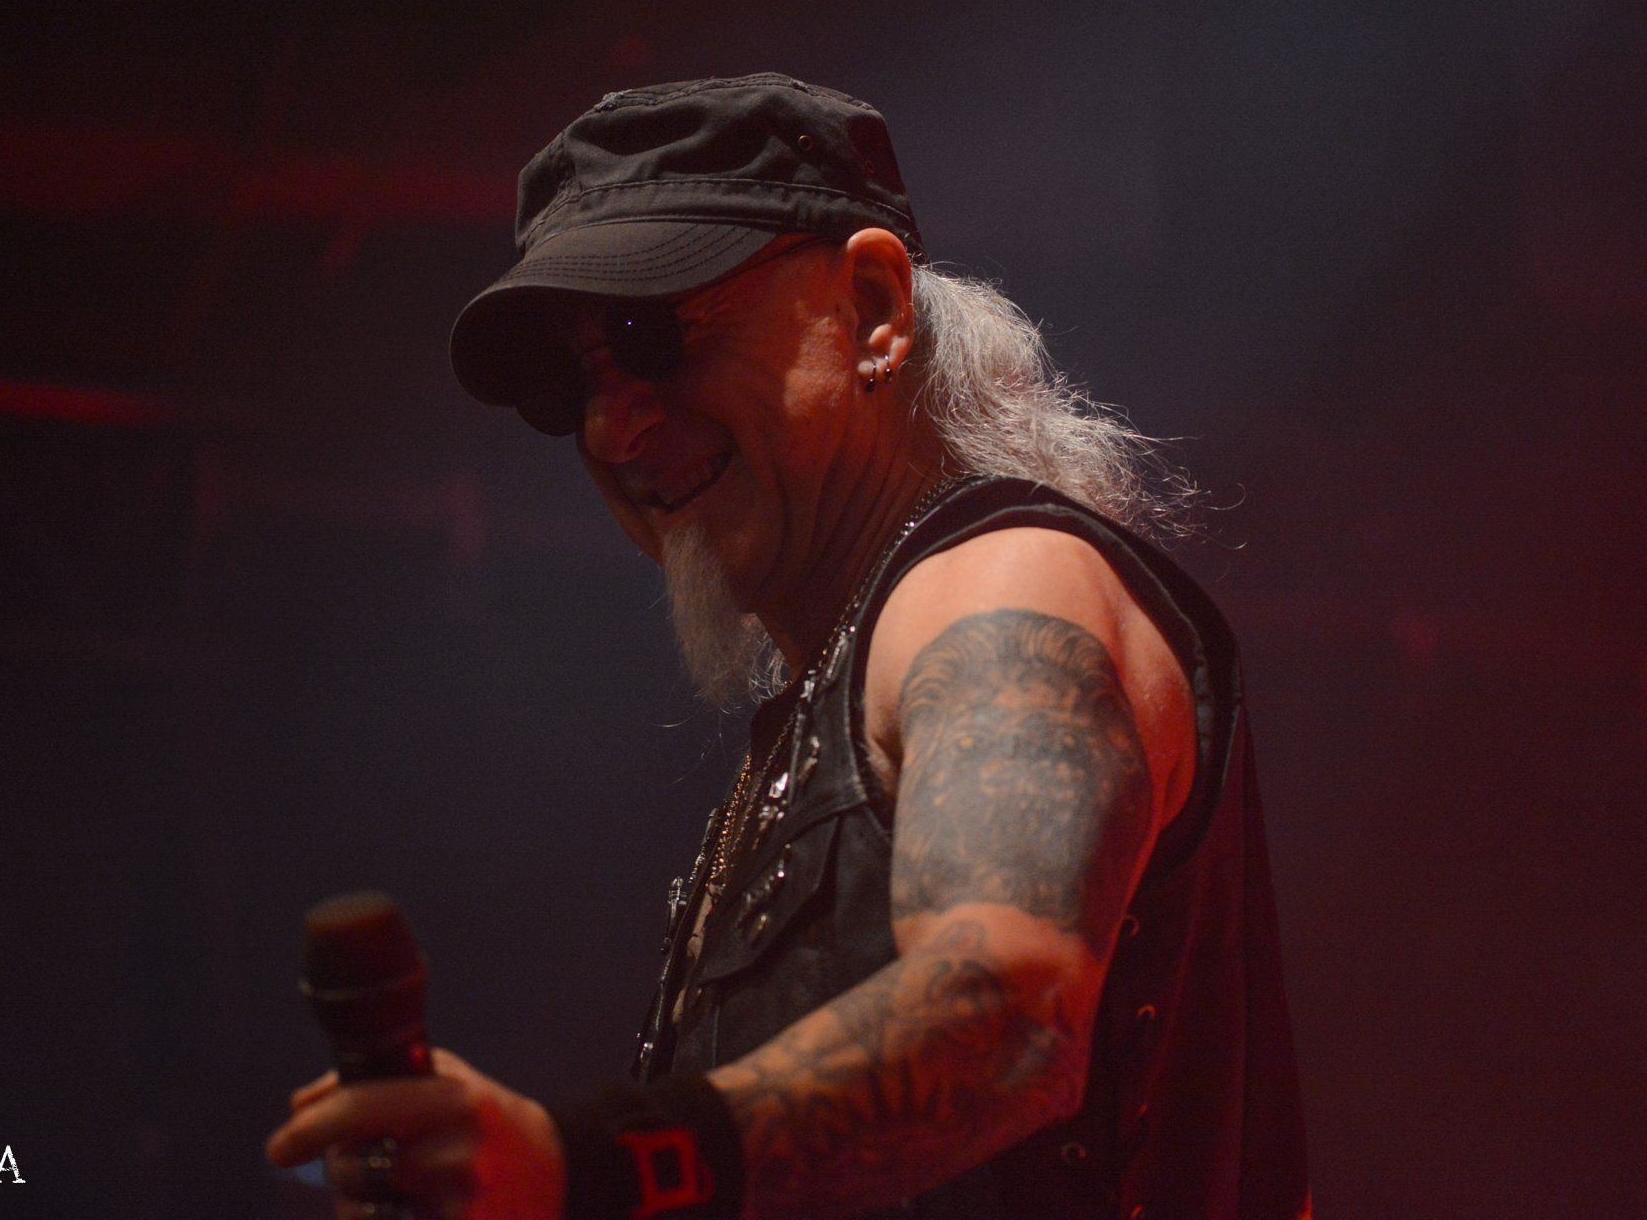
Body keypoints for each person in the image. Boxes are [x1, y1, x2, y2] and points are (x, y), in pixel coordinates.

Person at [266, 74, 1309, 1219]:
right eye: (572, 387)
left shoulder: (998, 584)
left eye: (653, 335)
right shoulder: (842, 677)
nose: (613, 426)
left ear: (872, 306)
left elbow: (1008, 1021)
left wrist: (585, 1166)